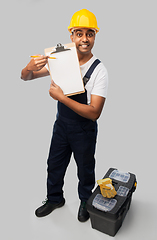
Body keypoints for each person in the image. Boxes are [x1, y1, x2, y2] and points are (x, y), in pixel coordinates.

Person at [21, 9, 108, 222]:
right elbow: (26, 77)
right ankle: (54, 199)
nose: (84, 39)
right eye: (79, 33)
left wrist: (61, 97)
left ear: (95, 36)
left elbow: (94, 112)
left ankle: (86, 200)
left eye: (89, 33)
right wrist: (28, 67)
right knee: (55, 164)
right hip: (61, 126)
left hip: (84, 129)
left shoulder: (99, 70)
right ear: (72, 36)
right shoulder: (61, 60)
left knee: (85, 167)